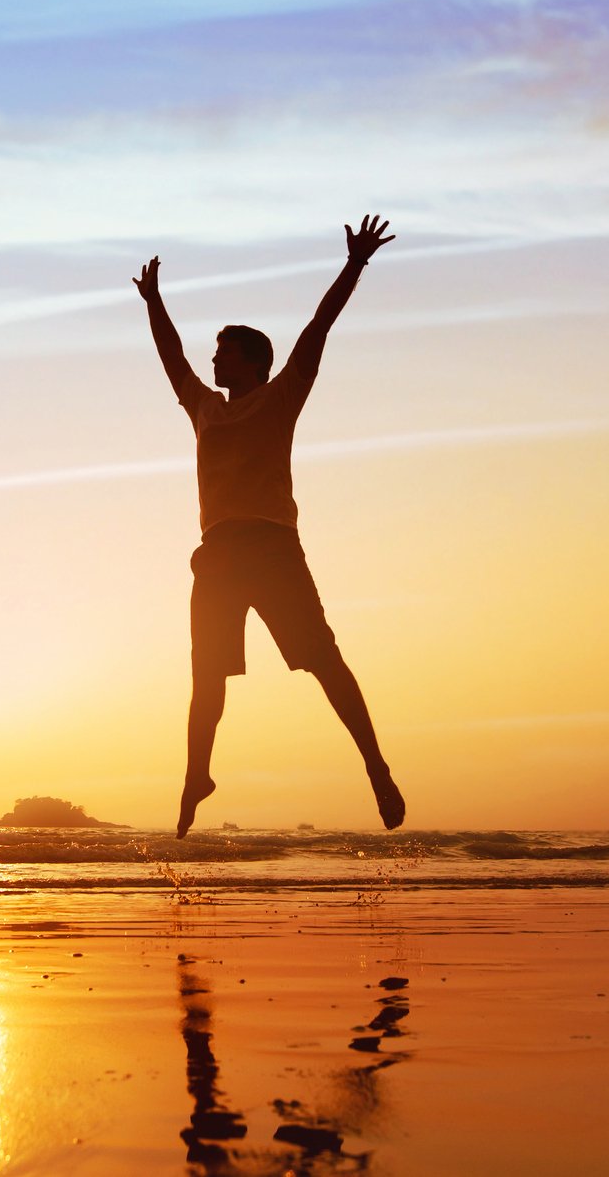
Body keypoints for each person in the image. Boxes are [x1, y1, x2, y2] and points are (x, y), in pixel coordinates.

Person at [134, 215, 404, 838]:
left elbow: (318, 329)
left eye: (224, 350)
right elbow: (171, 357)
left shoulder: (281, 396)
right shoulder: (203, 406)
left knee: (324, 661)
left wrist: (355, 264)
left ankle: (376, 765)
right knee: (207, 680)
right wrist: (154, 302)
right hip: (218, 554)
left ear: (252, 361)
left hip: (274, 547)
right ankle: (196, 776)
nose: (213, 358)